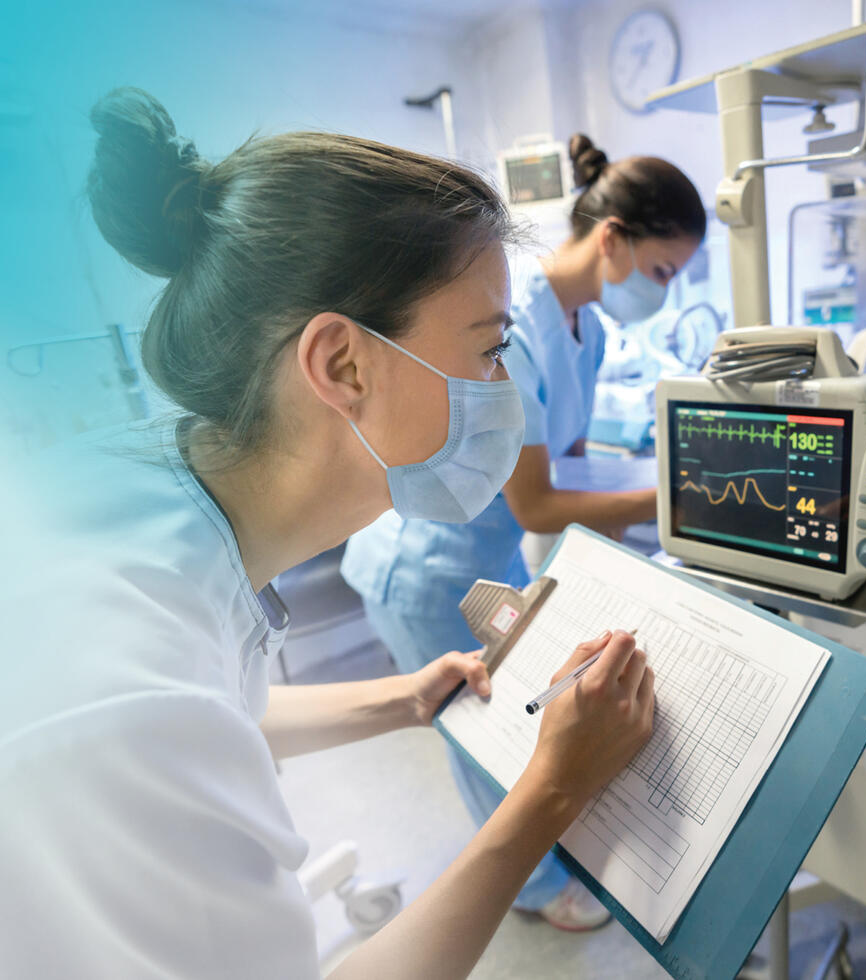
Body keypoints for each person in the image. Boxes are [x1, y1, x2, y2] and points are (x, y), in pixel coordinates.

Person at [0, 88, 654, 979]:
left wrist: (399, 698)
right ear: (342, 364)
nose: (504, 385)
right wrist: (551, 790)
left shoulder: (153, 498)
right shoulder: (122, 692)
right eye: (490, 348)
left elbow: (220, 712)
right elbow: (160, 718)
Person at [340, 133, 704, 929]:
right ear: (612, 239)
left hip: (487, 556)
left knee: (513, 707)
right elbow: (540, 503)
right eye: (661, 271)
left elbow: (564, 468)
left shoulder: (593, 328)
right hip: (428, 565)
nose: (663, 292)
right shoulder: (521, 325)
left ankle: (540, 843)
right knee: (475, 725)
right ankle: (536, 892)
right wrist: (674, 502)